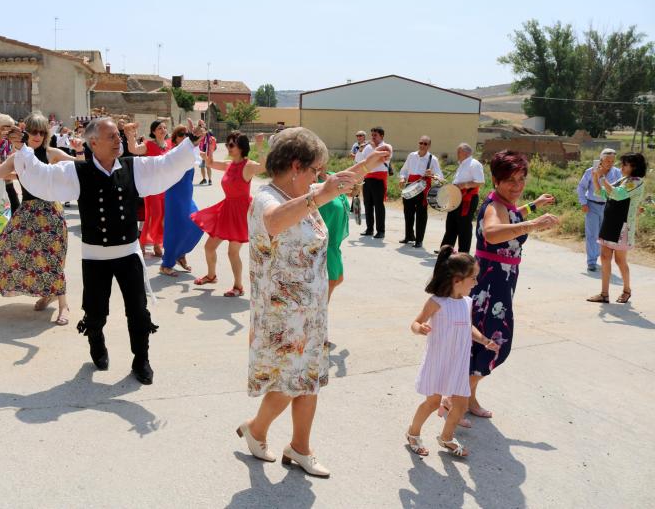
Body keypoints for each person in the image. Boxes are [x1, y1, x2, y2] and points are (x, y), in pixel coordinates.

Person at [2, 117, 204, 384]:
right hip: (95, 258)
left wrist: (191, 141)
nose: (118, 140)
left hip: (129, 254)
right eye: (112, 137)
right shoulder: (77, 172)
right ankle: (96, 342)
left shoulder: (134, 168)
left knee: (139, 311)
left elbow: (166, 164)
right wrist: (24, 150)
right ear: (93, 142)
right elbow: (42, 177)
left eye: (117, 137)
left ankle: (141, 359)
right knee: (96, 314)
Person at [239, 127, 390, 477]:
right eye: (314, 169)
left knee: (308, 379)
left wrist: (368, 163)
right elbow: (275, 221)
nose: (318, 176)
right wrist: (319, 195)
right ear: (295, 166)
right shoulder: (268, 198)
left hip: (308, 310)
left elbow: (335, 181)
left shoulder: (301, 190)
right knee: (292, 381)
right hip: (282, 313)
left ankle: (299, 447)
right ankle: (257, 429)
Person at [469, 150, 558, 419]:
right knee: (496, 341)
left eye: (521, 179)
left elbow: (512, 215)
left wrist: (533, 206)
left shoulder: (503, 204)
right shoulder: (494, 207)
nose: (517, 186)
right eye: (511, 180)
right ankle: (455, 398)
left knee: (479, 342)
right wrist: (532, 224)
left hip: (502, 279)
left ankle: (465, 398)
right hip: (492, 282)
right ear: (496, 180)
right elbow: (494, 232)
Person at [0, 112, 75, 327]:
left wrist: (80, 149)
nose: (37, 136)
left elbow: (82, 167)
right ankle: (47, 293)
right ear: (25, 133)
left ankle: (63, 305)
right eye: (33, 131)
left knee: (53, 259)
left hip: (51, 213)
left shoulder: (52, 153)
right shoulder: (17, 157)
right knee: (9, 251)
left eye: (42, 132)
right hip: (28, 213)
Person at [405, 247, 499, 458]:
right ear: (458, 279)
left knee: (461, 403)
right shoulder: (436, 302)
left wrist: (484, 340)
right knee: (432, 402)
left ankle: (446, 437)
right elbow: (415, 322)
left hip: (459, 362)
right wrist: (420, 329)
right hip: (438, 361)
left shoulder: (467, 302)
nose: (476, 282)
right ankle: (413, 433)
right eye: (473, 278)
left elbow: (468, 326)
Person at [191, 131, 264, 297]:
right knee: (209, 247)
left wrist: (260, 146)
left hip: (241, 214)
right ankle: (211, 276)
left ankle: (238, 287)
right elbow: (210, 163)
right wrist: (208, 151)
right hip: (226, 210)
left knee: (233, 252)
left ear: (241, 147)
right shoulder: (228, 165)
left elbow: (264, 167)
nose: (229, 147)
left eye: (232, 144)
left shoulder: (248, 165)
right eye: (227, 144)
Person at [587, 152, 647, 304]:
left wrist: (602, 178)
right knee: (605, 257)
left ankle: (627, 290)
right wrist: (596, 178)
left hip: (623, 226)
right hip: (610, 222)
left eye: (625, 164)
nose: (622, 166)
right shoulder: (624, 179)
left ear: (634, 167)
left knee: (620, 261)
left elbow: (617, 194)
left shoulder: (636, 181)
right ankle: (604, 294)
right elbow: (603, 194)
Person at [160, 126, 203, 276]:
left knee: (197, 224)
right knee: (174, 229)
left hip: (186, 195)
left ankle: (180, 254)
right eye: (181, 134)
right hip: (174, 195)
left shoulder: (189, 151)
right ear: (175, 138)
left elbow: (196, 150)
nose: (185, 137)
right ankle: (166, 264)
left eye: (187, 134)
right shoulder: (172, 154)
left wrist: (197, 137)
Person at [577, 149, 622, 272]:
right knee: (592, 235)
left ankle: (604, 260)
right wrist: (583, 202)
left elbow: (618, 192)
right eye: (607, 160)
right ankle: (591, 261)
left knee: (605, 236)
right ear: (601, 160)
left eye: (612, 161)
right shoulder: (590, 171)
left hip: (609, 207)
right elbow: (581, 187)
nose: (610, 163)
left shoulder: (617, 173)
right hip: (591, 206)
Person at [439, 143, 484, 253]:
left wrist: (464, 185)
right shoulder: (462, 164)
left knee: (464, 226)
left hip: (467, 198)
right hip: (456, 197)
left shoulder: (474, 164)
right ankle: (446, 249)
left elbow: (480, 182)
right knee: (451, 223)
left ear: (465, 152)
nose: (457, 154)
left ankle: (463, 252)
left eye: (458, 151)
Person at [399, 135, 443, 248]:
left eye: (425, 144)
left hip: (423, 190)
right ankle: (409, 236)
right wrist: (402, 178)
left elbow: (440, 177)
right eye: (421, 143)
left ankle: (419, 240)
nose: (422, 145)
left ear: (429, 146)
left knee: (421, 215)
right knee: (408, 213)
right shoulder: (411, 156)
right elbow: (404, 170)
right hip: (409, 186)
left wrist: (432, 175)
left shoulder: (432, 159)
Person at [317, 166, 350, 300]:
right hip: (323, 243)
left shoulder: (333, 176)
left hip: (334, 243)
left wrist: (354, 191)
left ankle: (320, 312)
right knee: (331, 280)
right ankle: (320, 315)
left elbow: (346, 190)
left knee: (338, 279)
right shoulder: (312, 183)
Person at [356, 127, 392, 238]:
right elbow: (360, 161)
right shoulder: (367, 148)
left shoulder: (386, 146)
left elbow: (383, 158)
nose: (372, 137)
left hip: (379, 179)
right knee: (368, 204)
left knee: (378, 205)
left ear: (381, 136)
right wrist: (360, 150)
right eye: (372, 135)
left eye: (375, 135)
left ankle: (381, 231)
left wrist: (372, 147)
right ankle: (369, 228)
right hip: (367, 177)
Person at [140, 120, 169, 256]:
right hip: (152, 186)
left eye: (164, 127)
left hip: (165, 186)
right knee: (154, 215)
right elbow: (134, 149)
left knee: (163, 216)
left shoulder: (169, 145)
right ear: (153, 132)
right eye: (159, 128)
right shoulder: (148, 145)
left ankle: (158, 245)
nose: (163, 130)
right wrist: (131, 136)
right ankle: (142, 243)